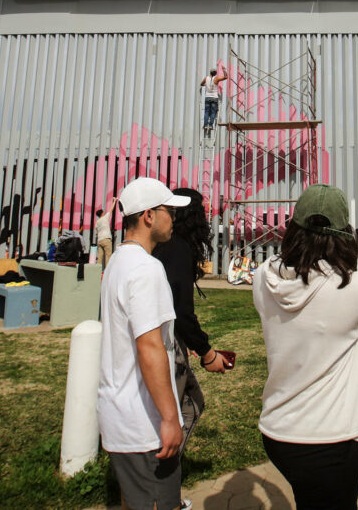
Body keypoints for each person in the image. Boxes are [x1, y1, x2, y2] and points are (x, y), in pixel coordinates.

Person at [253, 184, 358, 510]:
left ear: (294, 228)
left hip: (278, 428)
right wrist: (353, 261)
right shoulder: (355, 285)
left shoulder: (263, 277)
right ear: (344, 234)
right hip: (328, 436)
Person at [97, 177, 192, 510]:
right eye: (169, 211)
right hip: (144, 425)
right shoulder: (146, 269)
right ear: (149, 216)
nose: (174, 219)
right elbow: (149, 347)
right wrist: (170, 418)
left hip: (119, 415)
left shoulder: (118, 262)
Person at [152, 187, 231, 499]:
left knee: (192, 402)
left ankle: (159, 478)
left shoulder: (165, 247)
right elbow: (181, 312)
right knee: (182, 409)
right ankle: (158, 486)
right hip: (167, 346)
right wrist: (207, 352)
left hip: (168, 341)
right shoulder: (179, 249)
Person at [199, 67, 228, 138]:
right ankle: (211, 125)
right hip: (214, 98)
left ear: (210, 72)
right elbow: (226, 77)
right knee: (213, 112)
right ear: (215, 73)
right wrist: (224, 70)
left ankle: (205, 125)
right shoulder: (216, 78)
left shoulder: (206, 78)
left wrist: (206, 85)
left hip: (207, 97)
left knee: (206, 112)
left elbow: (201, 84)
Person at [94, 198, 117, 269]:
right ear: (102, 213)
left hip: (100, 240)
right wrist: (114, 201)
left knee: (100, 257)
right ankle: (107, 271)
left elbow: (97, 232)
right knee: (108, 255)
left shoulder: (97, 222)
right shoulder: (105, 217)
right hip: (106, 239)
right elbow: (111, 209)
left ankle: (97, 271)